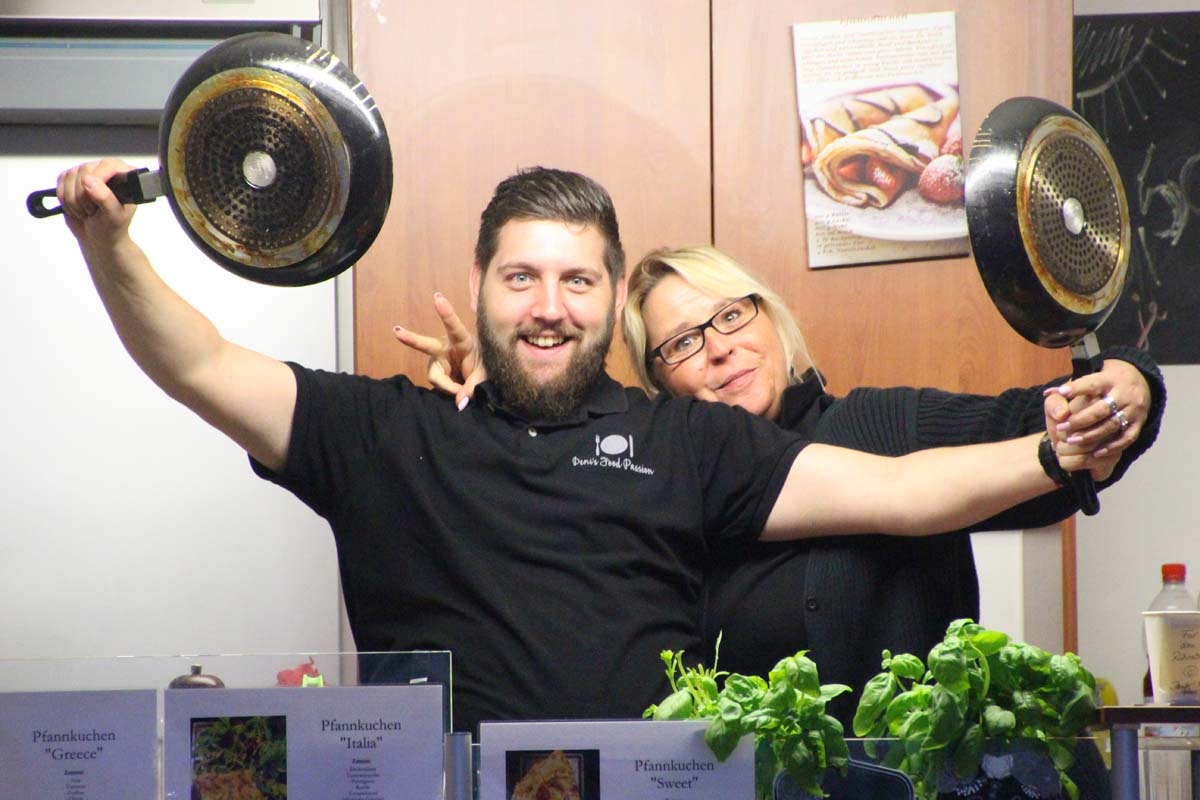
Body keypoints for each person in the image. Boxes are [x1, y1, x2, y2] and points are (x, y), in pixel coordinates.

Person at [57, 160, 1096, 735]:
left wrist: (1052, 455)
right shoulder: (377, 432)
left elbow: (903, 492)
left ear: (608, 303)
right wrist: (110, 247)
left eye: (577, 281)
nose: (548, 308)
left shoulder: (688, 439)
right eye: (521, 278)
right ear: (478, 284)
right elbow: (198, 363)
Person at [620, 244, 1164, 725]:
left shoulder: (884, 425)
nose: (718, 347)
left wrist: (1132, 379)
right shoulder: (670, 505)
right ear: (659, 383)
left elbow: (1046, 426)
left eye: (732, 314)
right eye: (682, 343)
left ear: (769, 316)